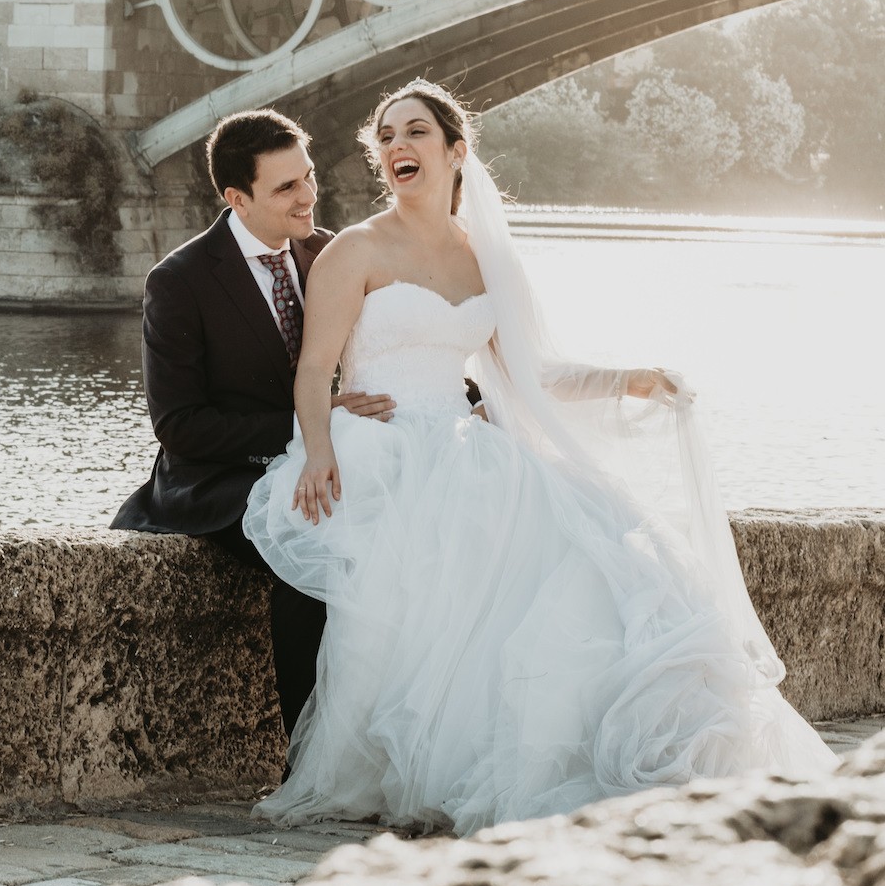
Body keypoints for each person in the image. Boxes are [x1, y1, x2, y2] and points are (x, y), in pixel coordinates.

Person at [243, 80, 838, 835]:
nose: (396, 146)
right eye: (386, 136)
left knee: (594, 554)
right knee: (414, 593)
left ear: (455, 151)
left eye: (415, 131)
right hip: (382, 450)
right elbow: (313, 370)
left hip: (462, 446)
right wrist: (320, 452)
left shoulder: (487, 258)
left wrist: (627, 379)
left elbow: (533, 373)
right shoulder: (353, 249)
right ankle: (400, 763)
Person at [112, 110, 400, 753]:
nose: (308, 196)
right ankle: (313, 755)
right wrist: (313, 422)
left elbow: (387, 353)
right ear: (236, 198)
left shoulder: (327, 252)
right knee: (314, 542)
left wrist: (458, 398)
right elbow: (180, 426)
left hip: (326, 454)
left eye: (309, 176)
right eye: (286, 187)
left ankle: (395, 742)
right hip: (220, 478)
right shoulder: (179, 281)